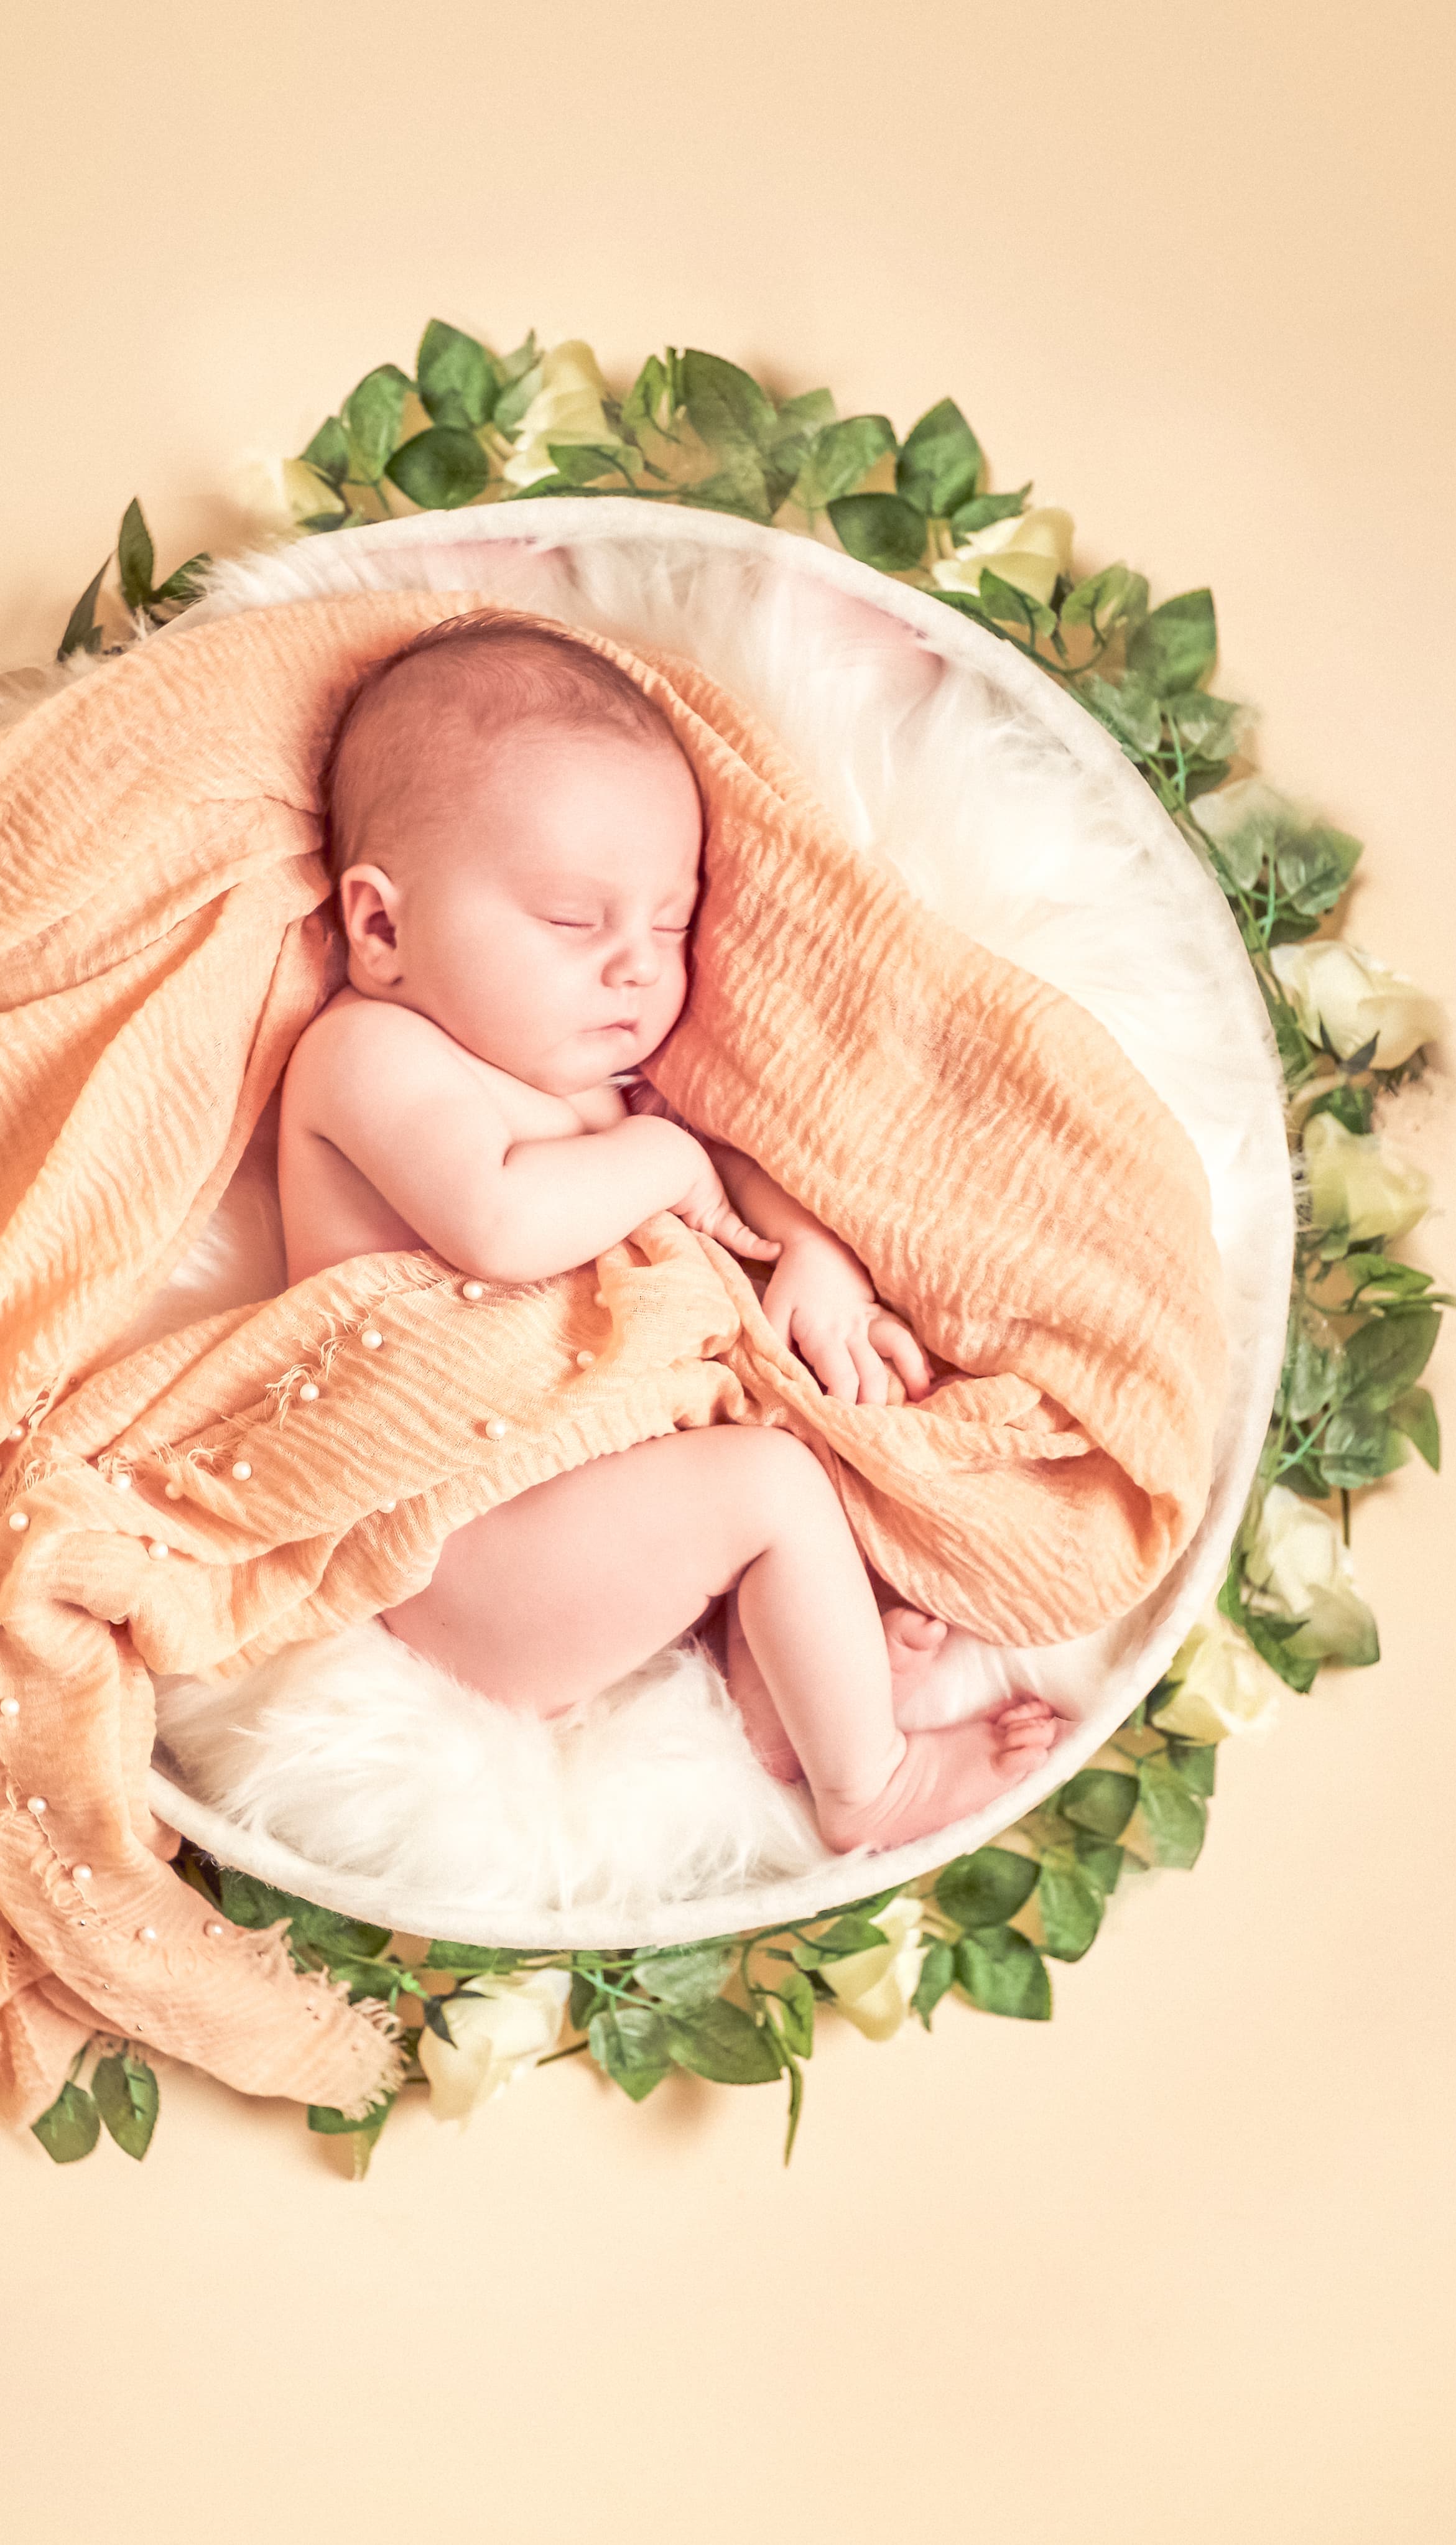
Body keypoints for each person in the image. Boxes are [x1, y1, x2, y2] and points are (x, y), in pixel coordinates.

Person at [277, 611, 1060, 1853]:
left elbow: (728, 1166)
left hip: (573, 1524)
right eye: (573, 922)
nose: (637, 970)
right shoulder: (369, 1056)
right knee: (767, 1482)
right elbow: (497, 1219)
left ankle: (782, 1695)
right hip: (458, 1559)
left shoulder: (599, 1096)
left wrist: (812, 1256)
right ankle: (869, 1787)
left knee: (810, 1453)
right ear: (381, 929)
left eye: (667, 924)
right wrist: (660, 1156)